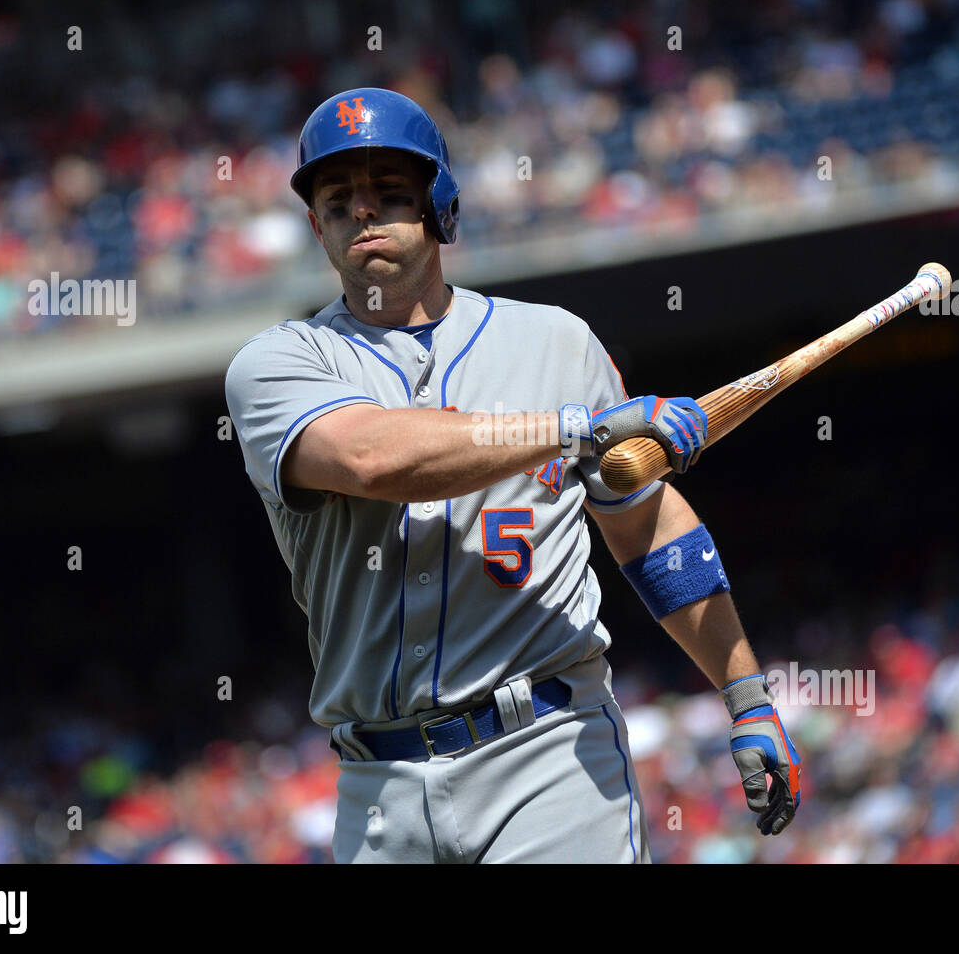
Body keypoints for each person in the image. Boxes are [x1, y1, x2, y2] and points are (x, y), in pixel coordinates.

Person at [224, 88, 800, 863]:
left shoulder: (558, 343)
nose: (363, 212)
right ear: (314, 225)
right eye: (337, 199)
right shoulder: (278, 363)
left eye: (390, 192)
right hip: (377, 786)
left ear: (440, 207)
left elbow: (649, 527)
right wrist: (576, 430)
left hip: (550, 758)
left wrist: (746, 697)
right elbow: (373, 457)